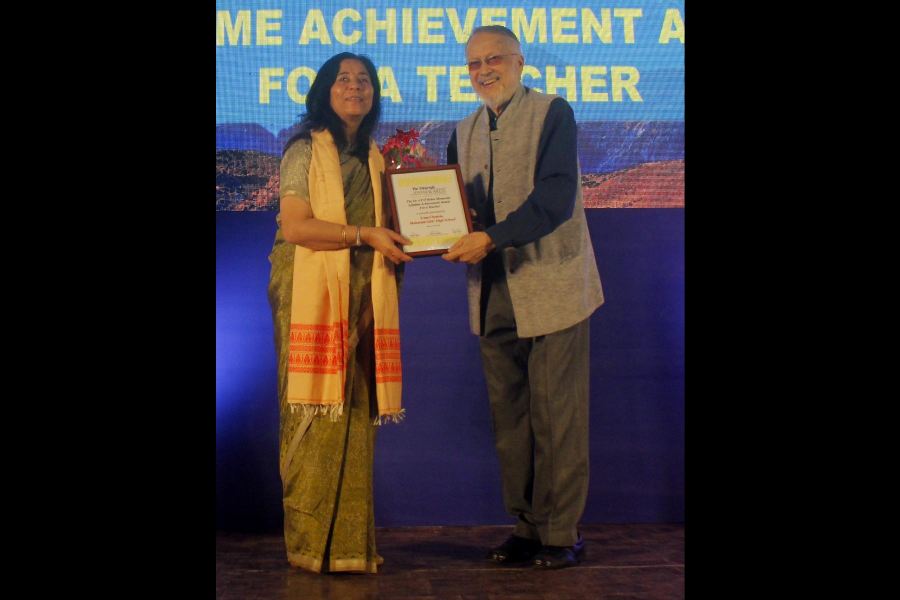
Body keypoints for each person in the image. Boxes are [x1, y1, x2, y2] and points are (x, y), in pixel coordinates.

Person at [443, 26, 604, 570]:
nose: (483, 70)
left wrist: (490, 237)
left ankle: (561, 533)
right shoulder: (461, 130)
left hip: (553, 289)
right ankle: (526, 527)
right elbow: (452, 210)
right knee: (511, 420)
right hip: (491, 295)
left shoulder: (553, 112)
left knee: (555, 415)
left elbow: (556, 197)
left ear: (519, 61)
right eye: (473, 64)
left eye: (494, 59)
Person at [267, 52, 412, 574]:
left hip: (365, 291)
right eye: (343, 79)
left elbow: (395, 224)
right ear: (324, 91)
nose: (355, 87)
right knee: (315, 414)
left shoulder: (376, 157)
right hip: (311, 292)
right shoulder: (304, 150)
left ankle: (349, 548)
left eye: (365, 80)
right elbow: (296, 227)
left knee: (354, 415)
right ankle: (309, 546)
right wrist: (363, 235)